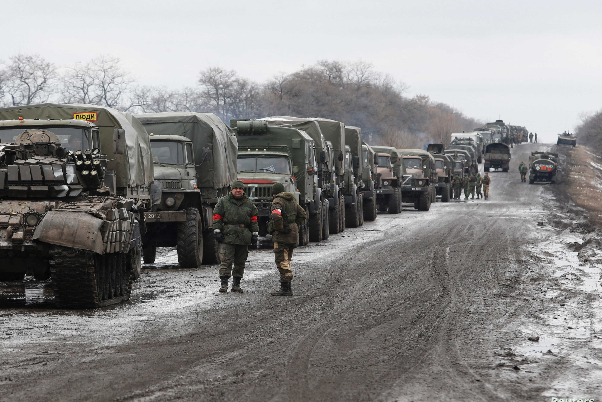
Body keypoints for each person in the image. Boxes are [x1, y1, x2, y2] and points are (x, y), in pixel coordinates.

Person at [213, 180, 259, 293]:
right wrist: (217, 231)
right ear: (232, 190)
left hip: (243, 237)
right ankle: (224, 284)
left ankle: (236, 284)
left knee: (240, 262)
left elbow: (253, 220)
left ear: (243, 190)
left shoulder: (249, 204)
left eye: (240, 188)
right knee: (226, 261)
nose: (238, 190)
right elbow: (217, 217)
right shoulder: (223, 202)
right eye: (236, 188)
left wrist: (254, 234)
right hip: (228, 236)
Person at [269, 182, 306, 296]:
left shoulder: (277, 201)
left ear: (274, 193)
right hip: (293, 233)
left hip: (283, 234)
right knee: (287, 259)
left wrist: (279, 228)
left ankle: (285, 287)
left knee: (281, 259)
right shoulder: (292, 200)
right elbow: (303, 214)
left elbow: (276, 215)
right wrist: (294, 225)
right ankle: (287, 288)